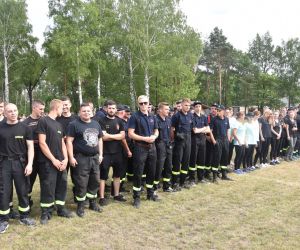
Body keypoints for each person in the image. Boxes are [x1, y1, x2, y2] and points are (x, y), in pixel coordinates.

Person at [0, 103, 36, 234]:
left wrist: (30, 164)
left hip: (20, 164)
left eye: (15, 110)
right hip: (4, 164)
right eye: (9, 111)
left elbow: (31, 147)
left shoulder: (25, 128)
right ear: (5, 113)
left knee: (23, 190)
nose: (13, 113)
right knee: (4, 192)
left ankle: (24, 216)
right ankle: (3, 219)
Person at [37, 99, 73, 225]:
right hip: (48, 162)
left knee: (61, 185)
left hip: (61, 161)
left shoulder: (59, 124)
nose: (63, 110)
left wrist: (66, 159)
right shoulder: (43, 121)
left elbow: (63, 143)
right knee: (48, 186)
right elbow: (42, 142)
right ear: (56, 107)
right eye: (62, 107)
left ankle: (61, 209)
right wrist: (53, 160)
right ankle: (46, 212)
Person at [66, 103, 103, 217]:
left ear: (92, 112)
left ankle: (92, 203)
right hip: (81, 158)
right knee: (81, 182)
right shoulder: (74, 124)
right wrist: (71, 157)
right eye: (84, 111)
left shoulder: (96, 124)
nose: (86, 113)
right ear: (79, 112)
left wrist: (101, 154)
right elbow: (69, 141)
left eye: (88, 111)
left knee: (95, 180)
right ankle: (81, 206)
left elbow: (100, 139)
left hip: (95, 157)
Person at [128, 95, 159, 208]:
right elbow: (130, 133)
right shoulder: (134, 117)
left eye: (145, 103)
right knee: (138, 172)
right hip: (140, 147)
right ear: (138, 104)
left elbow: (156, 130)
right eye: (141, 103)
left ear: (148, 103)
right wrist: (144, 138)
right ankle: (136, 197)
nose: (143, 105)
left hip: (152, 147)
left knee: (152, 171)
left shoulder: (152, 116)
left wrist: (154, 136)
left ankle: (150, 194)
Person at [98, 100, 127, 206]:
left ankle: (116, 195)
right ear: (106, 109)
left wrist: (110, 136)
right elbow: (103, 138)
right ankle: (101, 197)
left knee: (117, 175)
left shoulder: (120, 121)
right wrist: (116, 137)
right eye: (109, 108)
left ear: (116, 109)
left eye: (113, 108)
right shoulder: (101, 121)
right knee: (103, 176)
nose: (111, 110)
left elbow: (122, 136)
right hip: (106, 153)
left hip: (118, 153)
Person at [22, 100, 45, 207]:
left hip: (44, 155)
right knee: (28, 181)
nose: (42, 111)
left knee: (46, 180)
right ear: (34, 108)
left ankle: (47, 202)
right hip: (30, 156)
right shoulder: (25, 123)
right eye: (40, 109)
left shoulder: (45, 121)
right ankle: (27, 202)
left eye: (43, 109)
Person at [171, 98, 193, 190]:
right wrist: (173, 138)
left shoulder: (190, 116)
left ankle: (182, 182)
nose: (187, 107)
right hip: (179, 141)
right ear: (182, 105)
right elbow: (171, 129)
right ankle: (175, 183)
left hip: (188, 139)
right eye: (185, 105)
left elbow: (191, 128)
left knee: (186, 161)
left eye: (188, 105)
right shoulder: (176, 116)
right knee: (177, 162)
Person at [210, 105, 233, 183]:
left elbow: (227, 130)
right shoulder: (214, 119)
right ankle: (214, 177)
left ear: (223, 111)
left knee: (225, 158)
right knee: (216, 158)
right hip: (218, 140)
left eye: (219, 110)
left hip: (225, 140)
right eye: (217, 110)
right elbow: (210, 131)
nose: (218, 111)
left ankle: (224, 175)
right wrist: (214, 141)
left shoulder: (226, 119)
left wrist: (228, 139)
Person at [154, 102, 173, 192]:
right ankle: (155, 184)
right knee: (159, 165)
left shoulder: (169, 120)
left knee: (169, 165)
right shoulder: (155, 120)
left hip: (168, 144)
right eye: (166, 109)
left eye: (168, 109)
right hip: (159, 145)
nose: (168, 111)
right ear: (160, 110)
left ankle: (166, 185)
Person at [189, 101, 210, 184]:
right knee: (193, 160)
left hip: (202, 140)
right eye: (196, 106)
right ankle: (192, 179)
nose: (198, 108)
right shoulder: (192, 117)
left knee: (202, 159)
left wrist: (201, 129)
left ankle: (201, 178)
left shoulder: (204, 117)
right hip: (194, 140)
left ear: (201, 107)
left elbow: (208, 129)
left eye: (199, 106)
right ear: (194, 108)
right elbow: (195, 131)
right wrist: (203, 129)